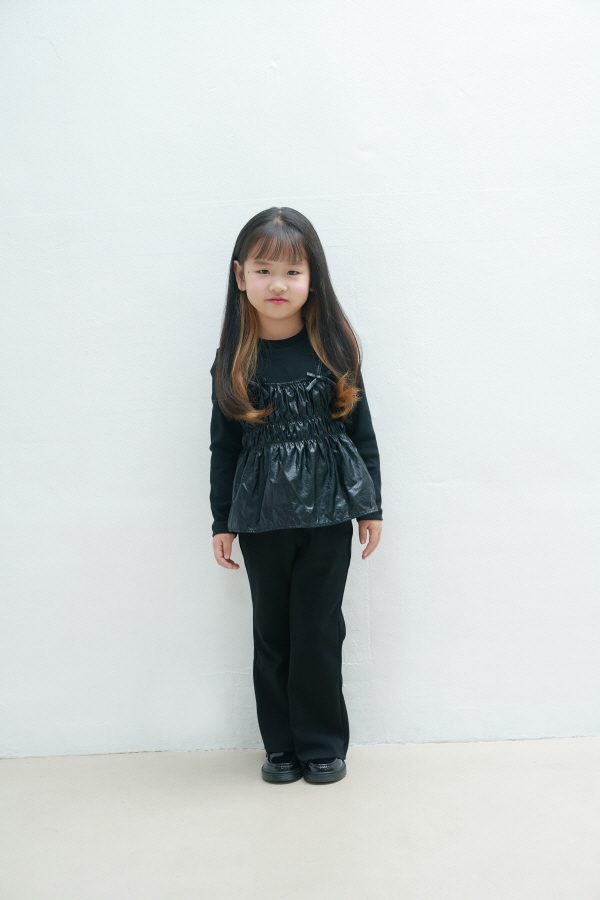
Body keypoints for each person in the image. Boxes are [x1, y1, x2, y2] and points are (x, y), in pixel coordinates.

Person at [209, 207, 383, 785]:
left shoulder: (334, 348)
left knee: (319, 630)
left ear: (313, 278)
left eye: (292, 271)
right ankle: (280, 747)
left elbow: (360, 432)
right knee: (272, 633)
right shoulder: (234, 359)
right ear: (241, 276)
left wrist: (371, 507)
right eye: (263, 270)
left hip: (329, 515)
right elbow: (224, 448)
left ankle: (322, 744)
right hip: (261, 519)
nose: (277, 284)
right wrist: (222, 522)